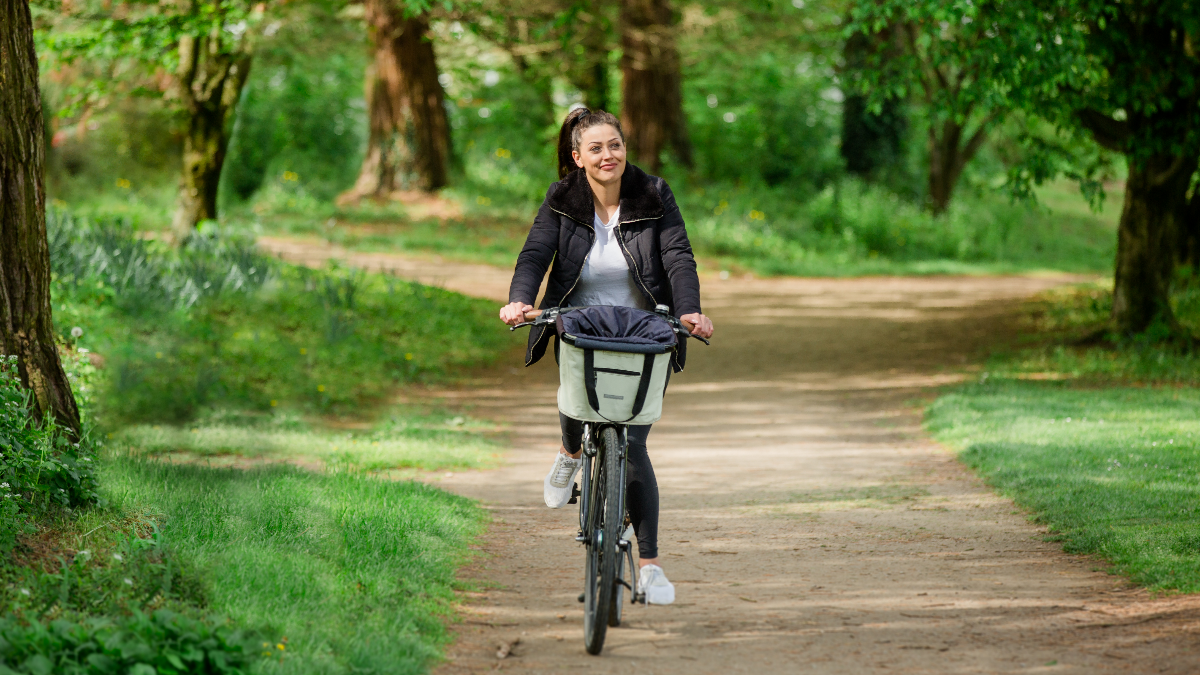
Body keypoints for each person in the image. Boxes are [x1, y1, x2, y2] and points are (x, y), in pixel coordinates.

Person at [499, 108, 714, 606]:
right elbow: (535, 254)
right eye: (595, 148)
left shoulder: (653, 194)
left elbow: (678, 256)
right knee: (576, 404)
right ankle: (570, 452)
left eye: (614, 145)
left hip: (643, 330)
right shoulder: (562, 197)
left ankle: (650, 567)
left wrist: (690, 312)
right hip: (581, 323)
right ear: (577, 158)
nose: (607, 155)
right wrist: (520, 299)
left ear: (624, 148)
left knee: (634, 444)